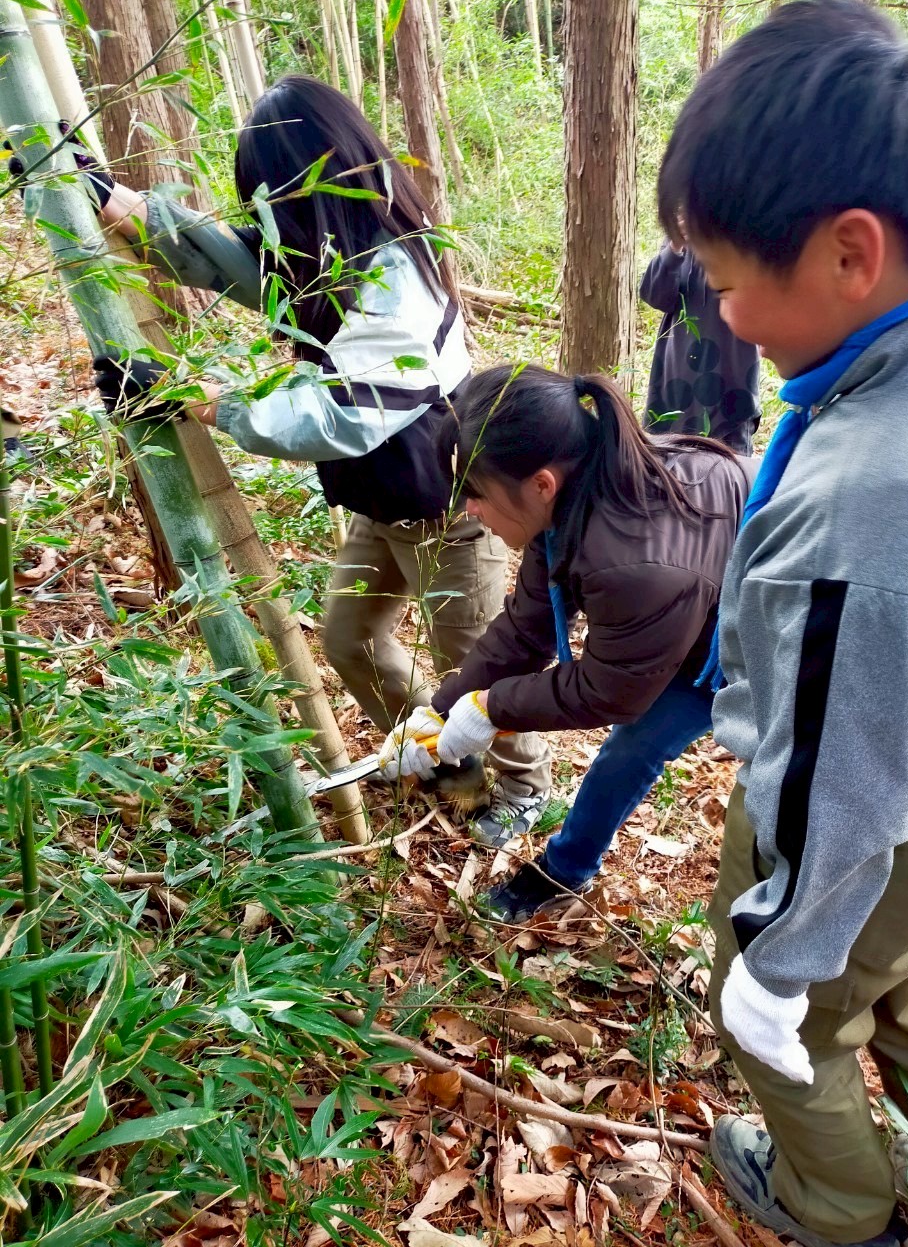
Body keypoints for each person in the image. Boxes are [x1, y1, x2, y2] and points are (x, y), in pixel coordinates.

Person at [656, 0, 908, 1247]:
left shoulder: (873, 504)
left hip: (887, 801)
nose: (721, 315)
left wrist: (776, 964)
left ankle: (839, 1203)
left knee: (792, 1016)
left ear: (849, 252)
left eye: (729, 283)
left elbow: (843, 789)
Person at [89, 75, 551, 833]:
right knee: (350, 639)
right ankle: (447, 758)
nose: (266, 220)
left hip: (451, 515)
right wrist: (123, 207)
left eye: (274, 200)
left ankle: (524, 788)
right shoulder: (326, 253)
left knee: (480, 672)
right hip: (383, 505)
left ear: (315, 187)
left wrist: (202, 396)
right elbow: (237, 263)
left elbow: (333, 417)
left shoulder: (397, 278)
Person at [378, 364, 751, 874]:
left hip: (756, 646)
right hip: (686, 621)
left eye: (476, 492)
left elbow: (610, 692)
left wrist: (490, 709)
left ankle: (563, 871)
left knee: (644, 751)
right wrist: (440, 711)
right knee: (626, 755)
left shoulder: (639, 567)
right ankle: (568, 868)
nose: (467, 510)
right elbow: (524, 629)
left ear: (541, 483)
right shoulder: (572, 497)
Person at [640, 239, 761, 454]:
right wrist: (675, 247)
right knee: (668, 462)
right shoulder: (679, 240)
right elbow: (655, 296)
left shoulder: (748, 229)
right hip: (677, 379)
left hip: (732, 378)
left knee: (729, 464)